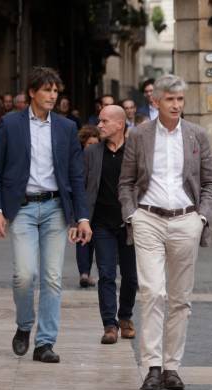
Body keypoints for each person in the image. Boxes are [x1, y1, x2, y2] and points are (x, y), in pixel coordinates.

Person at [119, 74, 212, 390]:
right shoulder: (139, 135)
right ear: (156, 101)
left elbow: (210, 183)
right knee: (153, 292)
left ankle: (172, 366)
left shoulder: (197, 136)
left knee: (179, 299)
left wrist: (202, 218)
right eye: (170, 99)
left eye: (180, 100)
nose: (176, 105)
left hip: (185, 221)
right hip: (147, 219)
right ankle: (152, 366)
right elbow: (126, 181)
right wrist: (131, 215)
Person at [0, 66, 92, 363]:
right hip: (21, 208)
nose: (52, 95)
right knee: (24, 275)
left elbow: (75, 176)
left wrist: (81, 217)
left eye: (56, 91)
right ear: (32, 92)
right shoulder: (10, 124)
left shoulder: (66, 127)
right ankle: (24, 325)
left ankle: (45, 343)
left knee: (52, 277)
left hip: (56, 209)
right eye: (47, 90)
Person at [85, 105, 139, 344]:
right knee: (106, 274)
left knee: (131, 277)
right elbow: (84, 186)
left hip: (130, 224)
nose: (99, 125)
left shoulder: (135, 152)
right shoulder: (92, 153)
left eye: (104, 121)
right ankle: (110, 324)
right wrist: (81, 218)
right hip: (101, 224)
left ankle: (125, 316)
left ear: (119, 124)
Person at [76, 125, 101, 288]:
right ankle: (84, 273)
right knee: (84, 239)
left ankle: (87, 273)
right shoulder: (80, 158)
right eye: (89, 144)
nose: (91, 147)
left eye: (95, 144)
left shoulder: (101, 156)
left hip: (99, 204)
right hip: (85, 204)